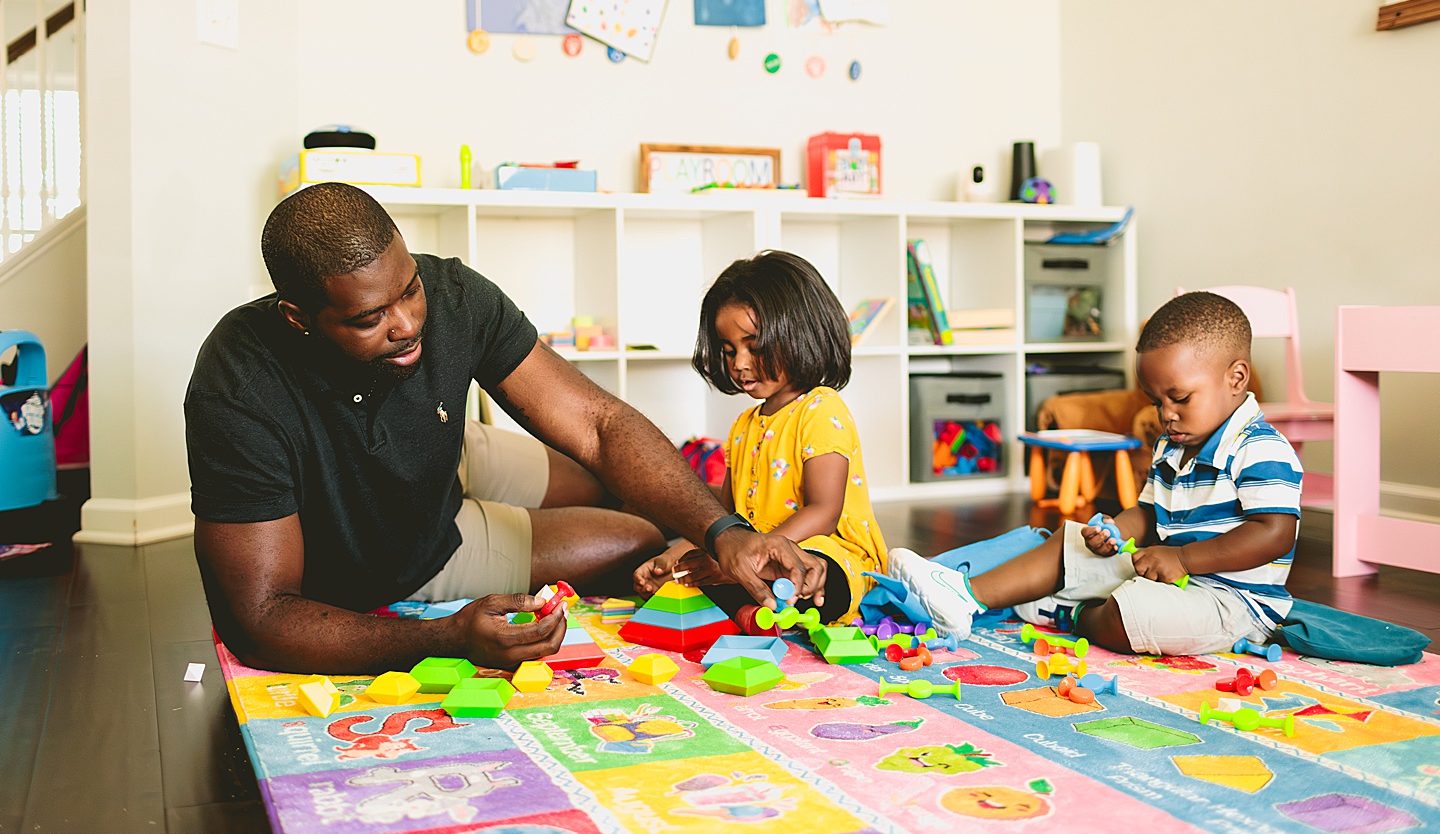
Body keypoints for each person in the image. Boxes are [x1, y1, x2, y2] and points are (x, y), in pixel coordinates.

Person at [185, 183, 826, 675]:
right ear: (299, 317)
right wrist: (446, 638)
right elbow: (260, 617)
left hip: (446, 452)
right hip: (405, 545)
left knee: (603, 477)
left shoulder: (454, 294)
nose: (407, 323)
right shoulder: (238, 384)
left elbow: (598, 426)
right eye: (370, 318)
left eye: (409, 290)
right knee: (634, 537)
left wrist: (724, 531)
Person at [887, 291, 1303, 655]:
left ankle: (1071, 611)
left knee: (1126, 616)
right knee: (1068, 541)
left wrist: (1183, 558)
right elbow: (1147, 512)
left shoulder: (1259, 447)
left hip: (1234, 602)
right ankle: (962, 598)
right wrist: (1115, 533)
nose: (1166, 415)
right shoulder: (1172, 445)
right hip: (1173, 574)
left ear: (1236, 377)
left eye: (1179, 398)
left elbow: (1274, 532)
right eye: (1156, 402)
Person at [633, 251, 887, 625]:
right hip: (753, 552)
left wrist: (751, 556)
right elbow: (726, 520)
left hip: (830, 550)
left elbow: (824, 512)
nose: (738, 363)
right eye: (729, 349)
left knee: (819, 568)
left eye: (754, 344)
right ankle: (754, 603)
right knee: (697, 571)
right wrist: (679, 555)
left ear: (800, 332)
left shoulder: (822, 409)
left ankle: (760, 595)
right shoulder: (744, 425)